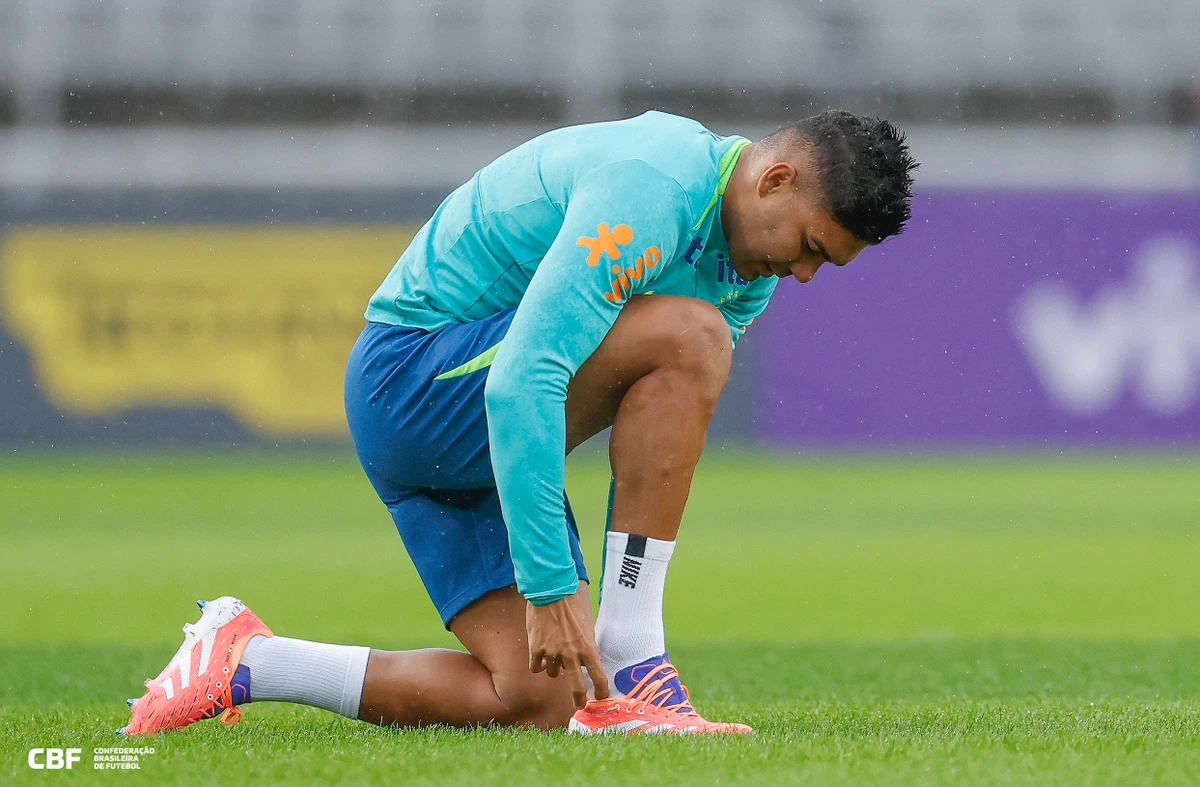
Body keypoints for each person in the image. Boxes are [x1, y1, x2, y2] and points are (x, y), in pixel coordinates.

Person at [121, 109, 916, 736]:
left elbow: (648, 406)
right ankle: (636, 657)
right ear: (774, 179)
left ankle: (248, 660)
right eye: (810, 245)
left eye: (825, 264)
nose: (803, 273)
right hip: (413, 381)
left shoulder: (747, 265)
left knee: (542, 698)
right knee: (692, 337)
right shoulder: (654, 188)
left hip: (472, 436)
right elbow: (522, 379)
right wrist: (547, 580)